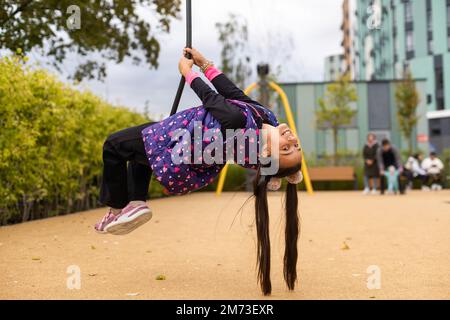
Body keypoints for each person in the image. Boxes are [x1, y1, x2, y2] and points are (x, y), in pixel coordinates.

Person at [94, 48, 303, 295]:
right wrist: (205, 65)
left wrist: (187, 72)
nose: (290, 139)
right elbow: (232, 92)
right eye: (295, 145)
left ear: (267, 152)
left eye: (286, 149)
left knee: (114, 146)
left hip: (175, 144)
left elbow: (211, 98)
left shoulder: (240, 128)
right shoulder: (265, 117)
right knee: (139, 153)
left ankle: (117, 207)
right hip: (178, 138)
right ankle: (137, 202)